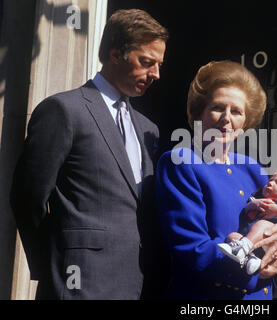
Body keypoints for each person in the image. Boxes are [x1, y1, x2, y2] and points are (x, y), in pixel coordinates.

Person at [10, 9, 168, 299]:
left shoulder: (149, 130)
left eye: (158, 64)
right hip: (75, 282)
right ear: (115, 53)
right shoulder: (64, 110)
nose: (156, 74)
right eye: (147, 62)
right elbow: (27, 197)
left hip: (135, 282)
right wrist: (55, 264)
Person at [155, 60, 277, 300]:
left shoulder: (251, 167)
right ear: (199, 112)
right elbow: (190, 247)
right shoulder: (181, 162)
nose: (226, 118)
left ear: (245, 122)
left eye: (236, 111)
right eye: (217, 107)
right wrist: (255, 274)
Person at [218, 167, 277, 275]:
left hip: (271, 241)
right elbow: (245, 209)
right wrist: (253, 204)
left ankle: (243, 248)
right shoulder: (258, 197)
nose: (270, 183)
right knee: (232, 236)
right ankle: (251, 260)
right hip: (250, 240)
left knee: (262, 224)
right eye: (270, 180)